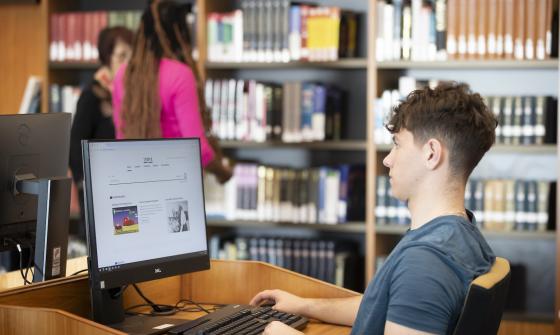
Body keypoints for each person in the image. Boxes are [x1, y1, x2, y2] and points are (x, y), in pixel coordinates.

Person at [250, 82, 497, 335]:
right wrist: (304, 306)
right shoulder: (461, 234)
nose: (387, 159)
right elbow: (385, 307)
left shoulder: (426, 262)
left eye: (398, 144)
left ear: (431, 153)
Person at [112, 0, 232, 183]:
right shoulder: (181, 75)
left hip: (135, 182)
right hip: (175, 184)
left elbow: (121, 137)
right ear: (180, 33)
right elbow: (198, 148)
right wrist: (222, 171)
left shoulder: (123, 75)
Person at [69, 26, 134, 239]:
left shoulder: (131, 96)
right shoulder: (92, 96)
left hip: (126, 190)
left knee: (128, 241)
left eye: (132, 56)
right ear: (107, 58)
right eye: (122, 56)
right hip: (99, 194)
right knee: (103, 251)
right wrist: (87, 188)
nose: (128, 63)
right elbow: (75, 150)